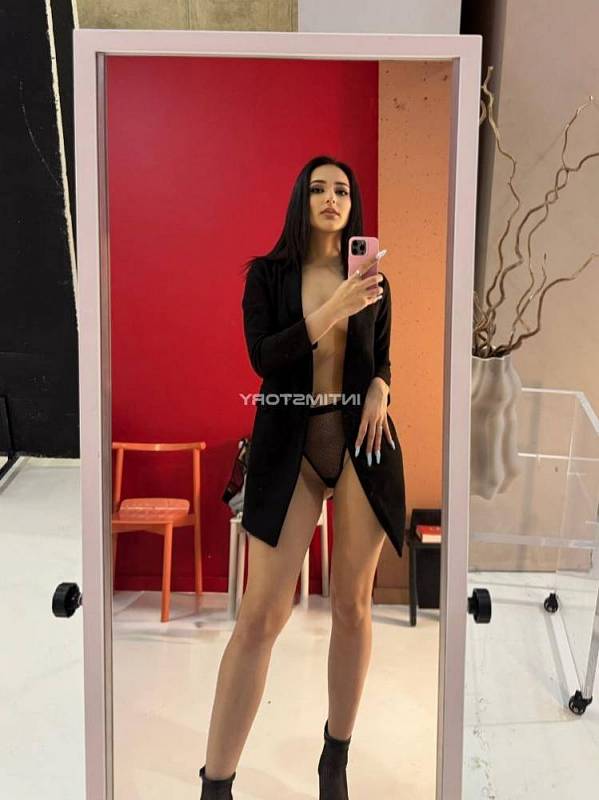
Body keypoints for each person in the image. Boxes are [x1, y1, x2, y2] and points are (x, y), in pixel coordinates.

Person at [199, 155, 406, 800]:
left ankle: (334, 758)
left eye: (341, 189)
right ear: (301, 200)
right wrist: (335, 306)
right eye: (318, 188)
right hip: (290, 443)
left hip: (361, 443)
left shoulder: (372, 278)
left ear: (353, 203)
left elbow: (382, 361)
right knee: (261, 616)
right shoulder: (268, 275)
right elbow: (264, 357)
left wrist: (381, 389)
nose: (331, 197)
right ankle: (216, 783)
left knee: (352, 604)